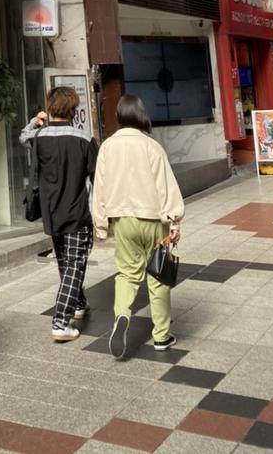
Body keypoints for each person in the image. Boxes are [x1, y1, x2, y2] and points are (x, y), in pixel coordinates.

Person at [92, 94, 184, 359]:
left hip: (122, 220)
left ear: (119, 116)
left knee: (126, 274)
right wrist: (174, 220)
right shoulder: (151, 147)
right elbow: (165, 185)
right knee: (158, 276)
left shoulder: (107, 147)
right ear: (142, 115)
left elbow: (99, 188)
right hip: (153, 219)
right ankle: (161, 336)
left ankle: (122, 315)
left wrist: (101, 224)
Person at [20, 86, 97, 342]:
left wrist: (36, 120)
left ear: (51, 109)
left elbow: (23, 136)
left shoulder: (39, 137)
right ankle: (60, 322)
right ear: (73, 110)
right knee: (75, 262)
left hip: (51, 213)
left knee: (66, 262)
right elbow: (98, 178)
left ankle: (78, 303)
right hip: (76, 212)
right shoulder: (84, 140)